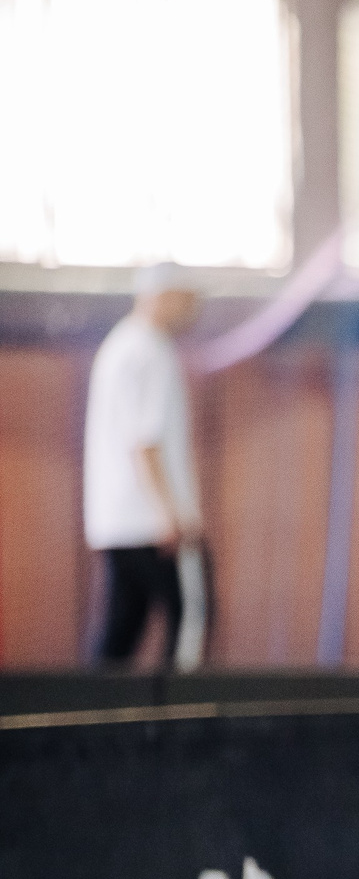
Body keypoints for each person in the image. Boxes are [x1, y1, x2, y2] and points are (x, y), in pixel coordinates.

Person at [84, 264, 207, 670]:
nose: (194, 309)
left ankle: (96, 707)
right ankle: (180, 707)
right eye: (187, 299)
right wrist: (168, 512)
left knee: (121, 631)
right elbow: (144, 441)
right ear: (162, 295)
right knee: (188, 618)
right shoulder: (148, 350)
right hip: (148, 521)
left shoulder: (120, 346)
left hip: (118, 520)